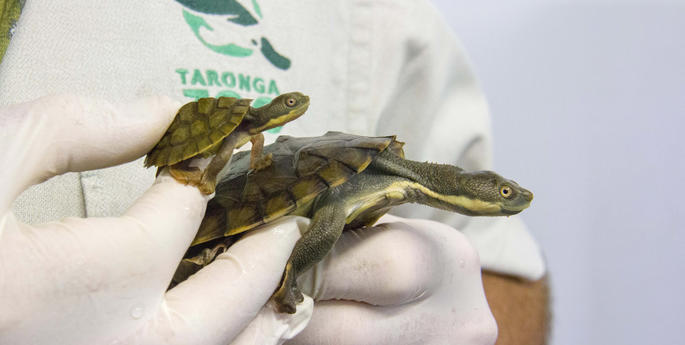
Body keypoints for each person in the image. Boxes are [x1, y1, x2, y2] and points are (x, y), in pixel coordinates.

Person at [0, 1, 548, 344]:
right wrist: (294, 276)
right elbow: (326, 222)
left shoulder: (381, 19)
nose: (511, 197)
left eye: (504, 191)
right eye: (503, 192)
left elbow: (507, 273)